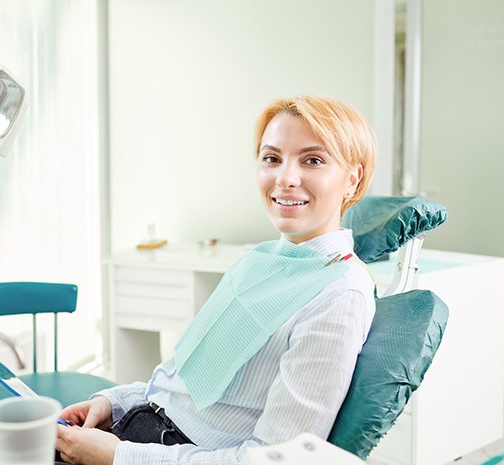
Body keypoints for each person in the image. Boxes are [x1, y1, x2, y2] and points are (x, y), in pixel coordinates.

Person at [53, 95, 377, 465]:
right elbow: (183, 384)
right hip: (136, 426)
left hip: (157, 452)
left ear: (353, 179)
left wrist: (120, 456)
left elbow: (274, 460)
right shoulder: (262, 261)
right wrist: (113, 402)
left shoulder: (339, 294)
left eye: (313, 160)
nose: (285, 178)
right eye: (272, 158)